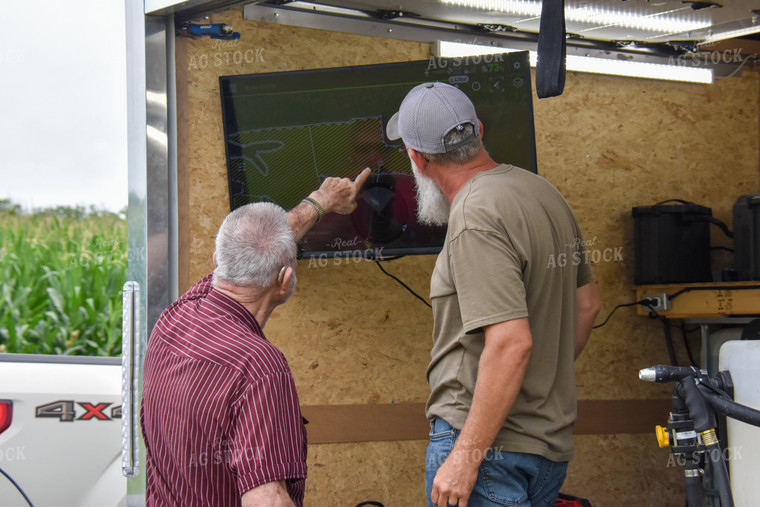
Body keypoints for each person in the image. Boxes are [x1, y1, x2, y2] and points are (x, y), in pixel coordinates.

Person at [386, 82, 601, 507]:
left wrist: (465, 457)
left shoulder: (474, 214)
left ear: (416, 158)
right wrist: (534, 383)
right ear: (478, 130)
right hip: (545, 449)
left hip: (485, 452)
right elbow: (587, 305)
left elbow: (511, 342)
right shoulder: (543, 192)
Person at [140, 169, 370, 507]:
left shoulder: (176, 315)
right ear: (285, 280)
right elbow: (268, 500)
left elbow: (254, 246)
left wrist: (323, 201)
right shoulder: (260, 368)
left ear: (217, 261)